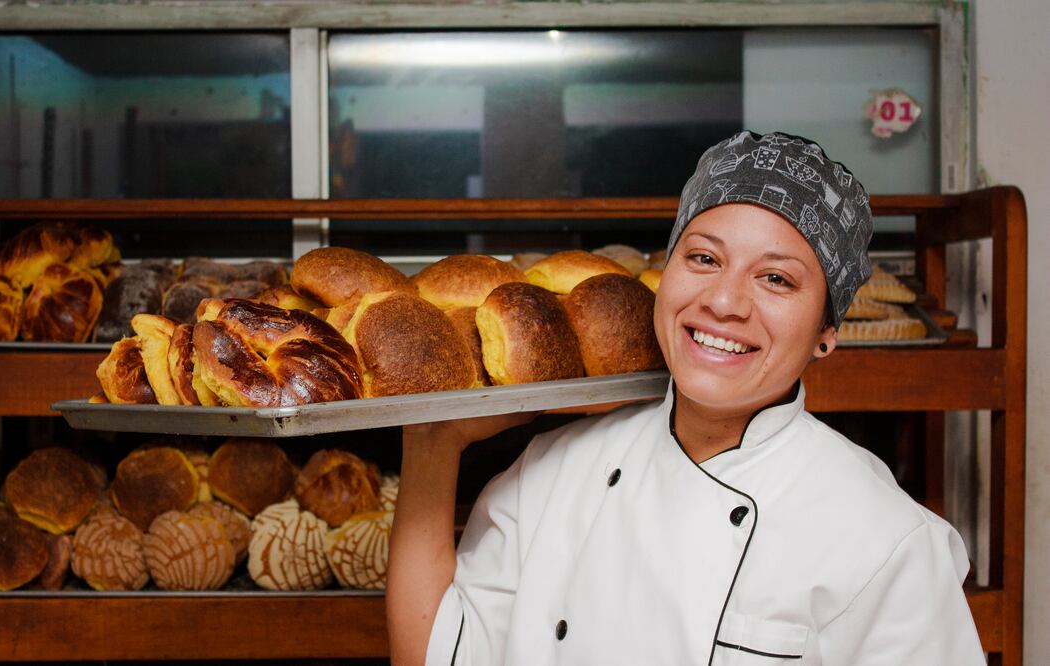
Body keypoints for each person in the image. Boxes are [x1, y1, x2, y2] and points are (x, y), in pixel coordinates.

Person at [387, 131, 985, 665]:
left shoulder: (887, 541)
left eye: (775, 278)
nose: (725, 302)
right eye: (703, 258)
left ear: (826, 335)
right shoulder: (549, 475)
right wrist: (433, 438)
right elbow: (441, 653)